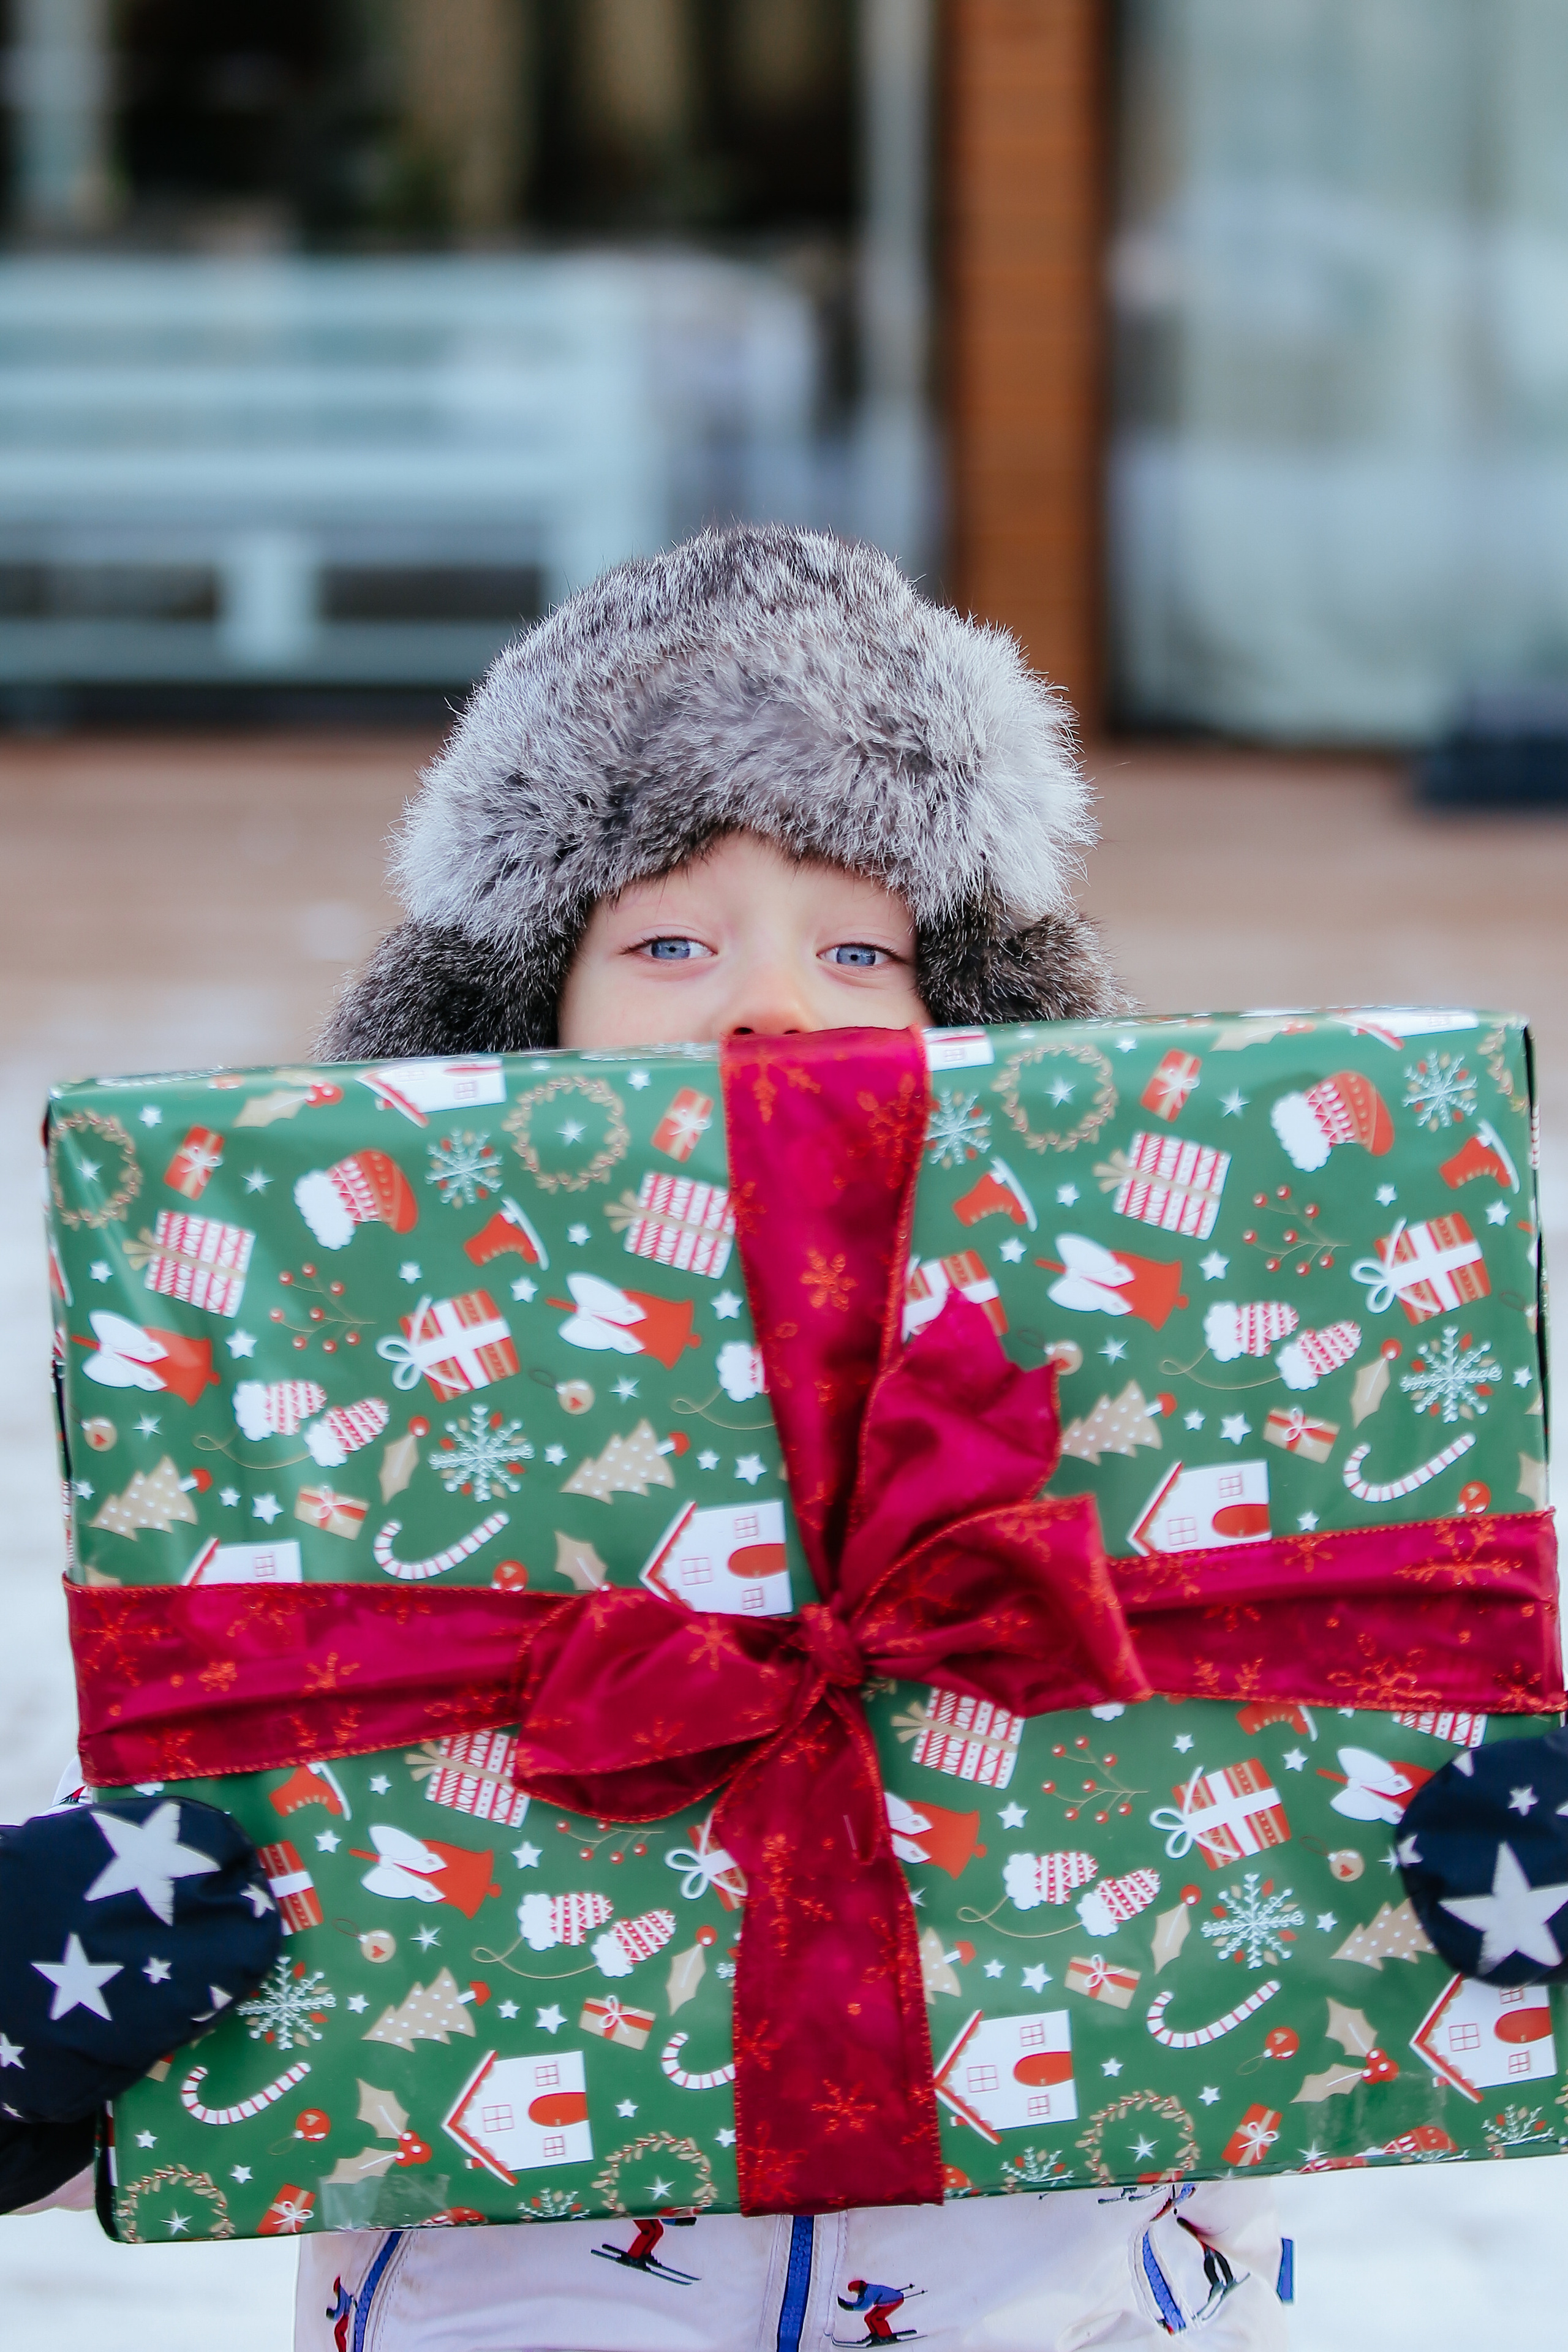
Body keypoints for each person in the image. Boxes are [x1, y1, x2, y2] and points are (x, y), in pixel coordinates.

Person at [7, 527, 1288, 2348]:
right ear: (520, 1023)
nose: (772, 1003)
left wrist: (1487, 1884)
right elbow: (225, 1888)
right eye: (672, 939)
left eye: (862, 944)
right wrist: (38, 2035)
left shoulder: (1132, 1428)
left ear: (984, 1023)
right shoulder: (347, 1452)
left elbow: (1300, 1876)